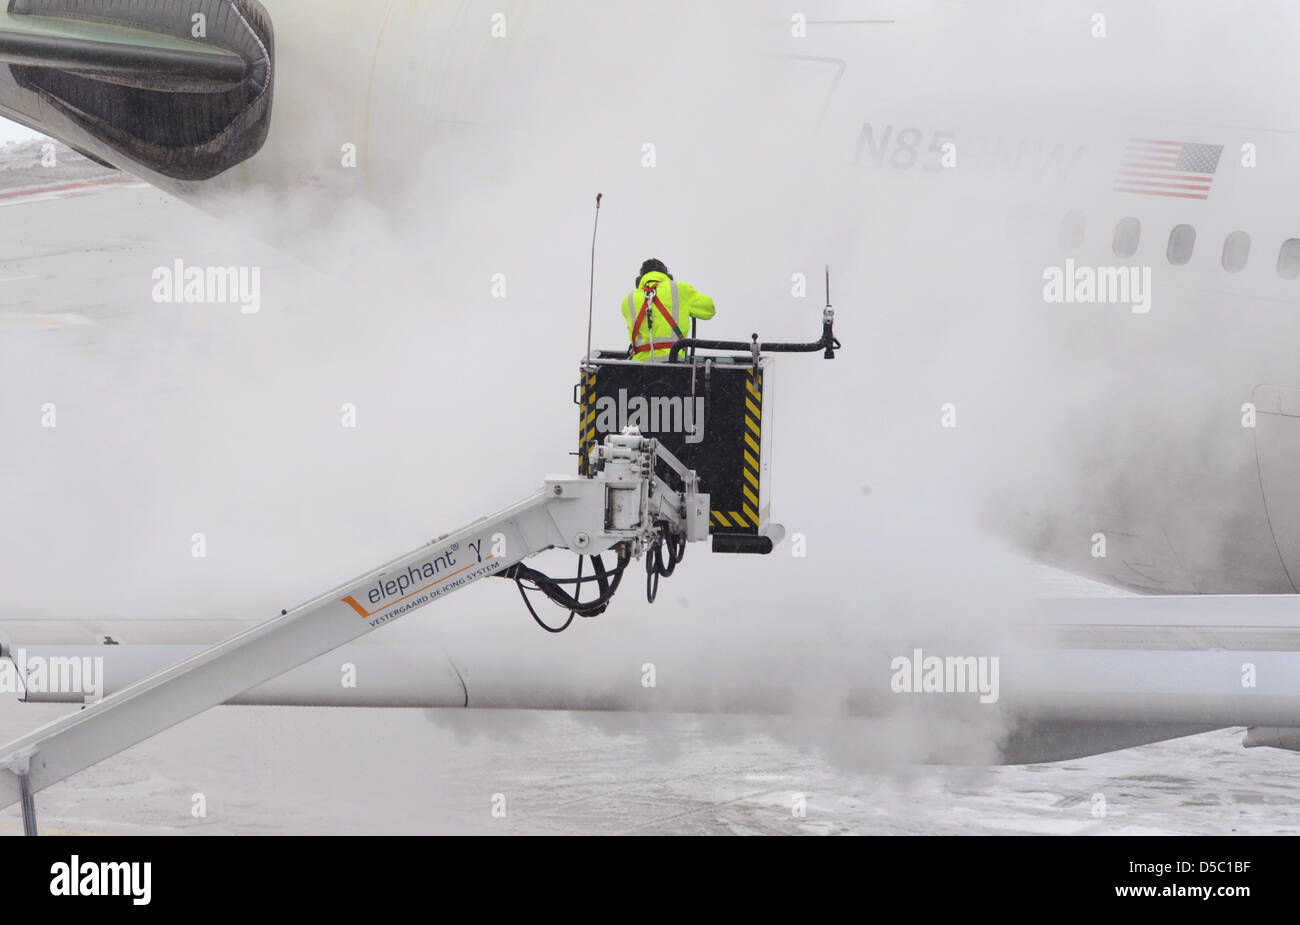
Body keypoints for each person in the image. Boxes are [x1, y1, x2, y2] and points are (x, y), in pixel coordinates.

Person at [621, 258, 715, 361]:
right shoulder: (679, 289)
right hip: (673, 366)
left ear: (639, 280)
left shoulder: (628, 300)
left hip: (639, 369)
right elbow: (710, 310)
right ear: (668, 276)